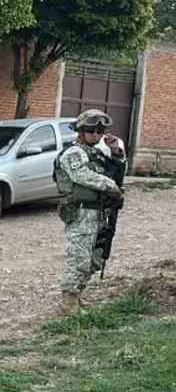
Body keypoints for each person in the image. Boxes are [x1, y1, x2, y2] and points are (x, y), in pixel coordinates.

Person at [54, 109, 125, 313]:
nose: (96, 135)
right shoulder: (74, 153)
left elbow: (116, 173)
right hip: (81, 213)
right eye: (91, 130)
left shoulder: (97, 154)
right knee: (80, 259)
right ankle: (68, 302)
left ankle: (78, 292)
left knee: (97, 256)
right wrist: (110, 186)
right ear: (80, 131)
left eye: (100, 131)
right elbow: (81, 175)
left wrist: (116, 152)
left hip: (99, 213)